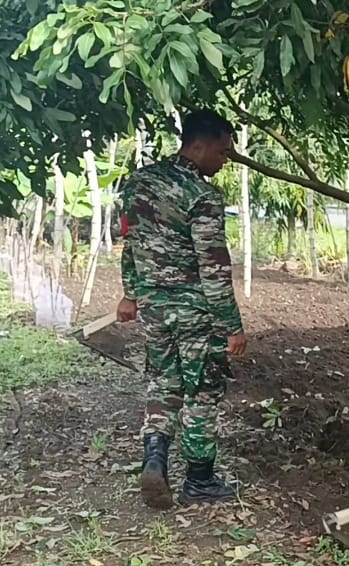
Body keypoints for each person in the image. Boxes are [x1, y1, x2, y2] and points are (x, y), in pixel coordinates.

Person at [116, 109, 247, 509]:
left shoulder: (139, 183)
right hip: (195, 313)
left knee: (163, 384)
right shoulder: (203, 196)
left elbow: (131, 245)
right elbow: (213, 269)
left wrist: (130, 293)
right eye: (223, 153)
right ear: (199, 145)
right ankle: (200, 481)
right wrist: (232, 326)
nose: (224, 161)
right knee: (202, 393)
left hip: (155, 309)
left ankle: (154, 459)